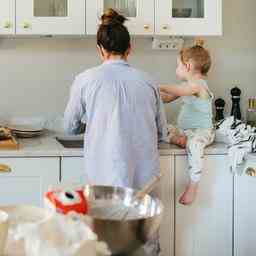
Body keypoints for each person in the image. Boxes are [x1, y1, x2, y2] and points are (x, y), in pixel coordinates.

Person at [64, 8, 167, 255]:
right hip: (144, 183)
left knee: (106, 245)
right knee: (142, 245)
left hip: (105, 184)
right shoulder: (148, 81)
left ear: (100, 49)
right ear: (129, 49)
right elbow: (162, 131)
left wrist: (95, 122)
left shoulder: (85, 79)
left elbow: (69, 126)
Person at [160, 39, 215, 205]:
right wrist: (151, 94)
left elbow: (178, 90)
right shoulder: (187, 86)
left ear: (188, 66)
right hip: (184, 130)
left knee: (195, 145)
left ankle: (193, 185)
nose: (177, 69)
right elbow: (168, 98)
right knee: (161, 128)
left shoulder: (198, 85)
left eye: (178, 66)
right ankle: (179, 140)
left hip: (202, 132)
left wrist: (157, 85)